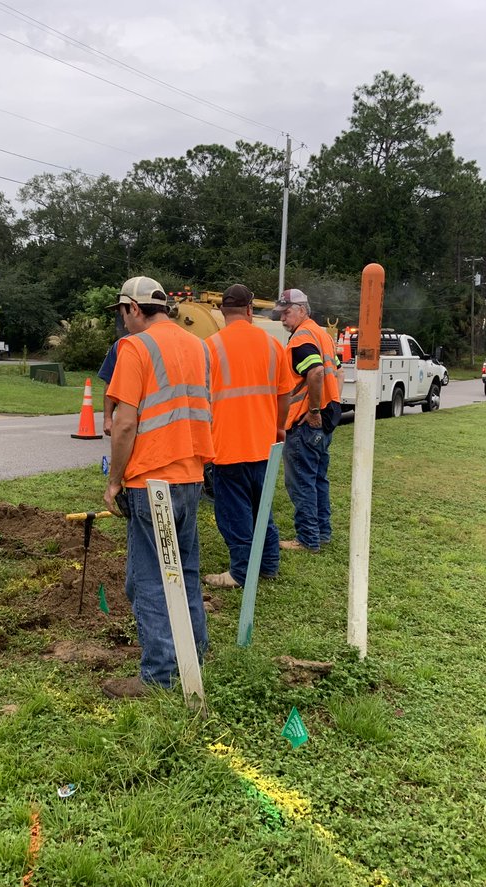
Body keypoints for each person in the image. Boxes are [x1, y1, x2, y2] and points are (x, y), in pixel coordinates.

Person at [102, 276, 214, 698]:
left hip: (152, 481)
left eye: (121, 314)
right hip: (189, 475)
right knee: (184, 571)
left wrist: (115, 482)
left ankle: (161, 676)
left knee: (148, 579)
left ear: (132, 307)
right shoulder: (197, 346)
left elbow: (125, 422)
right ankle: (193, 654)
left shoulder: (135, 348)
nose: (122, 323)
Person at [202, 284, 292, 589]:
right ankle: (268, 564)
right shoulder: (272, 346)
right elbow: (284, 394)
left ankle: (241, 571)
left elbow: (201, 399)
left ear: (221, 312)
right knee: (261, 505)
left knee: (234, 511)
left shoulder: (210, 346)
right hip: (264, 443)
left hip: (226, 444)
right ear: (251, 310)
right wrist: (279, 426)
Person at [273, 288, 342, 552]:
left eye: (286, 312)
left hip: (306, 421)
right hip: (326, 417)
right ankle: (322, 533)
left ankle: (307, 539)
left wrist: (313, 410)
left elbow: (314, 372)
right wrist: (328, 402)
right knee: (317, 479)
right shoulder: (321, 334)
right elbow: (336, 370)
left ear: (302, 310)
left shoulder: (301, 338)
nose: (282, 319)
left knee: (301, 481)